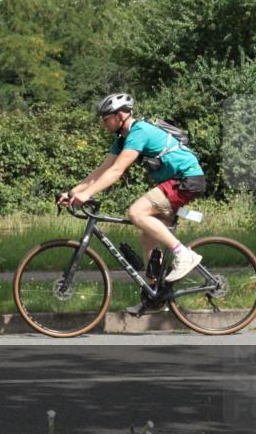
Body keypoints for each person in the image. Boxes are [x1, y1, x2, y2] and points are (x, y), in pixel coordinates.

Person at [59, 93, 207, 314]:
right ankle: (154, 294)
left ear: (120, 115)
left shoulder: (139, 132)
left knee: (136, 212)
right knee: (148, 235)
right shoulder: (122, 139)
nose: (102, 122)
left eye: (105, 117)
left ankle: (183, 254)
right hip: (174, 182)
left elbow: (117, 171)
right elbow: (101, 171)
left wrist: (88, 194)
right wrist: (73, 192)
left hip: (187, 180)